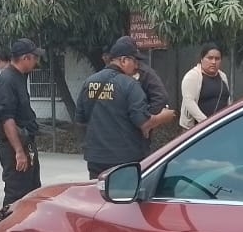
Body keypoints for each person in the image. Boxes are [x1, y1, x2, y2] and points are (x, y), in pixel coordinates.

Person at [76, 38, 174, 179]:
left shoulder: (89, 82)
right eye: (134, 61)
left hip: (95, 158)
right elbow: (144, 122)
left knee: (98, 197)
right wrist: (163, 117)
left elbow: (80, 121)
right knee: (123, 199)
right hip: (124, 159)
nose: (136, 66)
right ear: (123, 60)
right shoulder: (130, 85)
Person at [0, 38, 43, 214]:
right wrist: (19, 152)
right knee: (15, 196)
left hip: (26, 144)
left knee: (32, 192)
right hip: (14, 148)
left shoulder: (19, 77)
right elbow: (7, 119)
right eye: (35, 58)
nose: (37, 62)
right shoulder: (7, 80)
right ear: (25, 58)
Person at [179, 42, 232, 130]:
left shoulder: (223, 76)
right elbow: (189, 102)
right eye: (210, 58)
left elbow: (227, 100)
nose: (213, 62)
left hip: (221, 128)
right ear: (201, 59)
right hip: (198, 130)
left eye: (217, 59)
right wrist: (207, 123)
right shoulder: (192, 76)